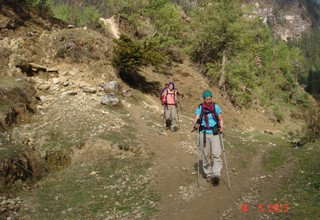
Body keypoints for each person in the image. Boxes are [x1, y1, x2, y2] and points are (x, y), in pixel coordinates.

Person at [194, 90, 224, 186]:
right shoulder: (200, 108)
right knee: (205, 155)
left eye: (210, 99)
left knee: (216, 154)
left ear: (212, 98)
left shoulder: (216, 107)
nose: (208, 100)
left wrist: (221, 127)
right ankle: (208, 173)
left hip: (215, 133)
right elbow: (197, 118)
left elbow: (220, 119)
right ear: (204, 99)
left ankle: (216, 174)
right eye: (206, 99)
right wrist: (196, 124)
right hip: (204, 133)